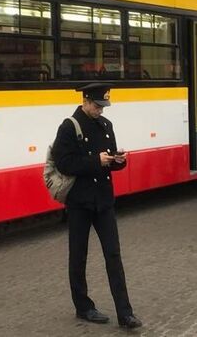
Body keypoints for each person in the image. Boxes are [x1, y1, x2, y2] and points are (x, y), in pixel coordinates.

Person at [51, 83, 142, 329]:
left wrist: (118, 160)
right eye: (97, 106)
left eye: (103, 106)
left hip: (103, 200)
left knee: (113, 255)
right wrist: (95, 161)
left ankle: (125, 313)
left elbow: (108, 161)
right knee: (78, 256)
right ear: (86, 101)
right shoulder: (69, 127)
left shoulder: (106, 125)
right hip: (79, 202)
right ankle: (83, 307)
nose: (101, 110)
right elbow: (63, 163)